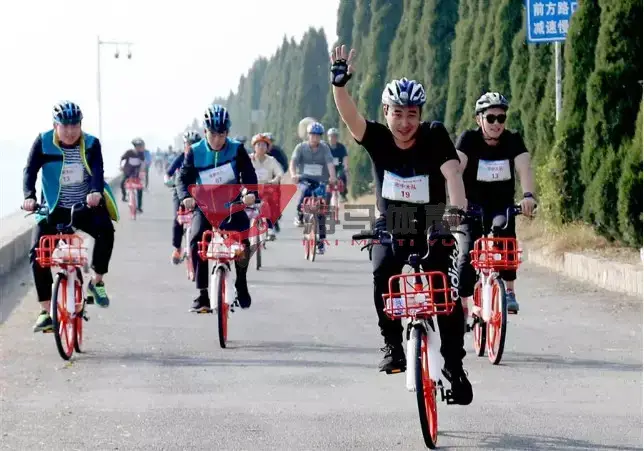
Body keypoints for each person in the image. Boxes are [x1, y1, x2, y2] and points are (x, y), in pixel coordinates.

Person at [330, 45, 473, 405]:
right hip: (391, 220)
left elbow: (452, 174)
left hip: (433, 218)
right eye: (398, 113)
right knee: (383, 271)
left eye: (412, 114)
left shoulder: (435, 135)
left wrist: (456, 211)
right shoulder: (377, 137)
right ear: (386, 112)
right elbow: (350, 118)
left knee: (444, 290)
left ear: (420, 115)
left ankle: (455, 365)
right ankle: (393, 345)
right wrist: (339, 85)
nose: (405, 122)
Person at [23, 101, 119, 332]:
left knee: (106, 230)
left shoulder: (92, 143)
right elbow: (30, 171)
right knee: (38, 253)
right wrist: (29, 196)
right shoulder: (43, 142)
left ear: (80, 125)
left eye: (75, 125)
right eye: (64, 126)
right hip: (53, 208)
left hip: (85, 207)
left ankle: (97, 282)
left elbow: (97, 171)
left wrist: (95, 191)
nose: (70, 131)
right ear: (55, 125)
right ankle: (46, 310)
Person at [454, 92, 537, 315]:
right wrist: (456, 200)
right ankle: (463, 304)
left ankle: (509, 291)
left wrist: (528, 195)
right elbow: (456, 169)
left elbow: (524, 167)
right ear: (478, 119)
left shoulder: (513, 140)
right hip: (470, 207)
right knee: (467, 254)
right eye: (490, 118)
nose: (496, 123)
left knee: (505, 237)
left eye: (501, 118)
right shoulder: (468, 139)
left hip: (501, 206)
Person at [176, 104, 258, 312]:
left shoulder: (237, 149)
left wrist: (251, 193)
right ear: (205, 132)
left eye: (222, 134)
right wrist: (186, 197)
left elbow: (249, 174)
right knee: (197, 240)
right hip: (204, 206)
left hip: (232, 205)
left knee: (243, 238)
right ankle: (202, 293)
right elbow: (182, 178)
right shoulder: (195, 152)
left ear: (227, 133)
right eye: (213, 134)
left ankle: (241, 282)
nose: (217, 139)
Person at [289, 122, 337, 254]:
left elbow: (330, 164)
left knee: (321, 211)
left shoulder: (324, 148)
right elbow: (293, 162)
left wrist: (333, 177)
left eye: (318, 135)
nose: (315, 138)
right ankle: (299, 214)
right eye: (312, 135)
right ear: (308, 135)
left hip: (321, 180)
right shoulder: (300, 147)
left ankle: (321, 242)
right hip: (304, 179)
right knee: (304, 191)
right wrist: (293, 175)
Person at [165, 130, 202, 264]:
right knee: (178, 218)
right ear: (185, 145)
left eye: (194, 144)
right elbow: (168, 173)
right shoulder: (181, 157)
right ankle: (177, 248)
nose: (191, 146)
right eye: (189, 144)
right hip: (180, 191)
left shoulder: (203, 157)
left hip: (199, 191)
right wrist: (168, 180)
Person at [250, 133, 284, 240]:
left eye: (264, 145)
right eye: (258, 144)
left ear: (267, 148)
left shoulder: (271, 160)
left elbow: (279, 172)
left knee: (270, 204)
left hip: (267, 188)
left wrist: (275, 180)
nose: (261, 147)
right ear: (254, 147)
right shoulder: (249, 159)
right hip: (251, 189)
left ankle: (270, 227)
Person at [119, 137, 146, 212]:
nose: (139, 147)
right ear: (135, 146)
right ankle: (124, 196)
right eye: (138, 146)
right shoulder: (129, 152)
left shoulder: (141, 154)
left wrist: (142, 170)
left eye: (140, 146)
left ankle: (139, 207)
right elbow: (122, 159)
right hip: (127, 172)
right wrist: (120, 166)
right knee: (122, 183)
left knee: (140, 189)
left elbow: (143, 163)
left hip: (136, 174)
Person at [326, 127, 350, 201]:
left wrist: (346, 166)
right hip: (327, 168)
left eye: (335, 136)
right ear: (328, 137)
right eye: (331, 136)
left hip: (339, 167)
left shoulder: (341, 147)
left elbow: (345, 157)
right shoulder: (325, 147)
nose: (333, 138)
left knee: (342, 176)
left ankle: (343, 194)